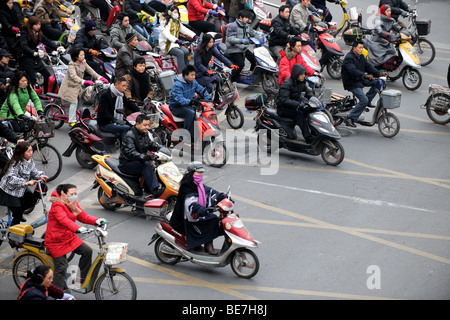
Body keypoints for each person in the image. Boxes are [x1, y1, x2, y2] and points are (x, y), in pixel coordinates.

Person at [46, 183, 106, 291]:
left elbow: (82, 215)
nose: (74, 196)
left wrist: (96, 221)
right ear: (63, 194)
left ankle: (82, 279)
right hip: (56, 240)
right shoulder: (57, 205)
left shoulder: (72, 203)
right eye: (71, 194)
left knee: (87, 251)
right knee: (61, 268)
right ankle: (58, 293)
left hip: (69, 236)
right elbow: (64, 220)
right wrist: (77, 228)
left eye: (75, 193)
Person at [170, 161, 228, 254]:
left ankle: (205, 244)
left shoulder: (199, 185)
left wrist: (222, 196)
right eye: (199, 172)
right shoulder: (186, 186)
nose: (201, 175)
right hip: (183, 220)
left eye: (202, 173)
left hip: (195, 216)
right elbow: (190, 203)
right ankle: (208, 245)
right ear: (192, 173)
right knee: (212, 219)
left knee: (216, 220)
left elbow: (209, 191)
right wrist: (200, 209)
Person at [342, 40, 388, 127]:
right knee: (364, 100)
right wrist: (365, 75)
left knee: (378, 82)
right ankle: (350, 118)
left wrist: (379, 73)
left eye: (362, 48)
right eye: (359, 48)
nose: (361, 50)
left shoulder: (361, 56)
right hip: (352, 82)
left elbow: (369, 67)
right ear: (354, 48)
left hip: (360, 80)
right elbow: (353, 71)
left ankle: (367, 101)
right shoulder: (349, 58)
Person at [0, 141, 48, 225]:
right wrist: (26, 183)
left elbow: (33, 171)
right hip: (9, 191)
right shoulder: (15, 163)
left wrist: (41, 176)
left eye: (31, 150)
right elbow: (10, 178)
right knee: (18, 213)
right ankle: (13, 233)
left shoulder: (29, 160)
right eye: (28, 151)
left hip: (20, 189)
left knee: (31, 200)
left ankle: (18, 213)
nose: (31, 153)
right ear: (22, 153)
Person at [58, 47, 108, 127]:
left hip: (77, 87)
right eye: (81, 55)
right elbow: (73, 76)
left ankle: (75, 115)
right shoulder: (72, 64)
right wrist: (84, 81)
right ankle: (71, 120)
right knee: (74, 102)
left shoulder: (83, 62)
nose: (83, 56)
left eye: (83, 55)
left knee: (81, 100)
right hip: (69, 87)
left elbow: (90, 70)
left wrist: (99, 77)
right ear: (76, 57)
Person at [119, 113, 162, 199]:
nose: (147, 127)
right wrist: (143, 156)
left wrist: (161, 148)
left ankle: (148, 190)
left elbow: (151, 145)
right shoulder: (130, 135)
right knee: (145, 165)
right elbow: (131, 152)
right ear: (137, 124)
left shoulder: (144, 133)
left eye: (148, 125)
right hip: (127, 163)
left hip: (138, 161)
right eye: (145, 125)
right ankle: (154, 190)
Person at [17, 16, 57, 93]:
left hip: (35, 56)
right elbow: (24, 46)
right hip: (25, 57)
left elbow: (47, 41)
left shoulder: (38, 33)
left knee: (47, 75)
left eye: (39, 24)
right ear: (31, 25)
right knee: (32, 78)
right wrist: (33, 52)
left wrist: (57, 47)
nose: (38, 26)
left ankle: (47, 93)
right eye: (36, 25)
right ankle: (30, 95)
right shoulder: (24, 33)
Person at [276, 64, 315, 143]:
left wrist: (313, 98)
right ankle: (308, 137)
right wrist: (297, 104)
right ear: (296, 75)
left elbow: (308, 92)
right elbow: (283, 100)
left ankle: (314, 132)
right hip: (283, 109)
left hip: (294, 105)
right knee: (299, 114)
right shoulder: (287, 84)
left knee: (310, 110)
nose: (303, 76)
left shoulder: (301, 82)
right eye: (301, 74)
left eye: (304, 74)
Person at [193, 33, 238, 101]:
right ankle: (199, 100)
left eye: (212, 42)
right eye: (210, 42)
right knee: (210, 87)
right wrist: (206, 70)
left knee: (219, 79)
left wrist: (230, 64)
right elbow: (198, 64)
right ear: (205, 42)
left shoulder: (211, 48)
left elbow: (220, 56)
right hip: (199, 73)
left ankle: (216, 98)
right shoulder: (198, 50)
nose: (212, 43)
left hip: (207, 71)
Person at [169, 65, 211, 135]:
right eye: (192, 75)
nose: (194, 77)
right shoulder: (178, 85)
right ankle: (186, 134)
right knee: (191, 113)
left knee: (199, 121)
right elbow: (180, 100)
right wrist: (191, 102)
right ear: (185, 75)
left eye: (194, 75)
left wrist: (208, 99)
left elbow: (201, 90)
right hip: (176, 108)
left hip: (188, 106)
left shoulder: (193, 82)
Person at [224, 9, 264, 82]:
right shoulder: (233, 26)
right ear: (240, 17)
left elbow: (253, 33)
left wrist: (262, 35)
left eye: (248, 18)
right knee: (241, 64)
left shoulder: (246, 25)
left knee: (254, 60)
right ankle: (230, 80)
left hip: (243, 48)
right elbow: (230, 39)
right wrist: (241, 41)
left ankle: (251, 75)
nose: (247, 19)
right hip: (234, 49)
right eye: (245, 18)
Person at [96, 76, 140, 140]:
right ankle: (125, 148)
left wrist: (139, 110)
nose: (125, 88)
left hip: (116, 121)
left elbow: (128, 103)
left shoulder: (120, 94)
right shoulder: (105, 95)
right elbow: (103, 112)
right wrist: (114, 120)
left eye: (126, 86)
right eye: (123, 86)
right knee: (127, 128)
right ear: (116, 85)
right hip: (105, 124)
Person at [158, 6, 198, 74]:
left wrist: (194, 36)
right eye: (175, 12)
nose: (176, 14)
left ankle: (187, 71)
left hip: (174, 43)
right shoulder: (164, 22)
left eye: (177, 12)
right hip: (166, 45)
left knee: (186, 52)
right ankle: (181, 73)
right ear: (170, 12)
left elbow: (184, 30)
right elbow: (167, 34)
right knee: (180, 53)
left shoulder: (176, 21)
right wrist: (176, 40)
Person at [365, 4, 405, 69]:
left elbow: (397, 27)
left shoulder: (391, 20)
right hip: (377, 40)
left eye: (390, 11)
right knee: (379, 55)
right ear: (383, 11)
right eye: (387, 11)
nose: (389, 12)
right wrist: (389, 35)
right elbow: (379, 31)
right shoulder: (378, 19)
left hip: (386, 40)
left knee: (392, 52)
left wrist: (404, 31)